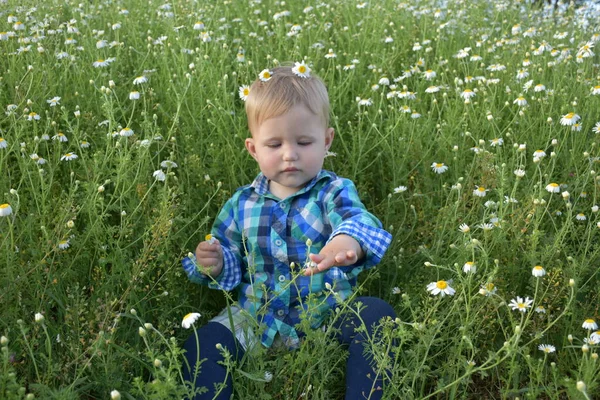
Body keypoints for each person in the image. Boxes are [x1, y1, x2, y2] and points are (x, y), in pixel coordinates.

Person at [181, 64, 396, 399]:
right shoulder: (241, 204)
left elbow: (359, 220)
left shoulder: (333, 191)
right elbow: (232, 259)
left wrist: (345, 241)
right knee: (203, 343)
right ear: (253, 149)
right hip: (255, 319)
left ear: (326, 141)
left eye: (304, 141)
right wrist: (215, 263)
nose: (290, 154)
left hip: (324, 315)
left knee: (376, 316)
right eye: (274, 144)